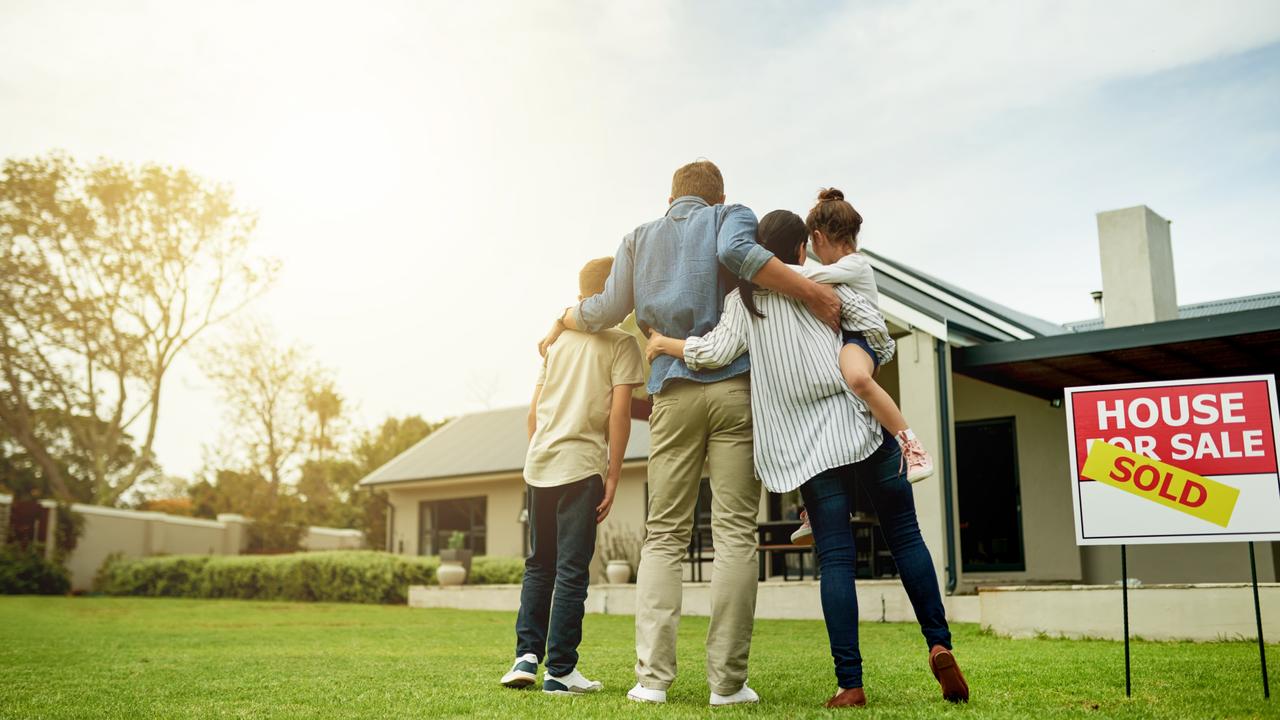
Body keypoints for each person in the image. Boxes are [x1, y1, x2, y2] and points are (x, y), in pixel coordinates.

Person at [538, 160, 841, 707]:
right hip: (733, 393)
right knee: (733, 534)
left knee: (665, 536)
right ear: (718, 195)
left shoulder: (638, 237)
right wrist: (811, 292)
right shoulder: (732, 215)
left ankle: (652, 681)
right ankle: (727, 684)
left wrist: (566, 315)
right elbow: (737, 255)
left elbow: (607, 309)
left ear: (670, 198)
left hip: (672, 394)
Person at [647, 209, 968, 709]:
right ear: (801, 249)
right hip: (860, 426)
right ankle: (939, 642)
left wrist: (664, 343)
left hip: (809, 451)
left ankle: (850, 684)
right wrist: (862, 354)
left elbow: (712, 352)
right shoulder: (819, 284)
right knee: (905, 536)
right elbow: (873, 330)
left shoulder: (743, 301)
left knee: (836, 559)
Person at [501, 257, 644, 696]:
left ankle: (526, 656)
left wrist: (539, 453)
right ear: (614, 295)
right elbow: (620, 414)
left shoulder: (556, 343)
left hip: (540, 465)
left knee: (538, 565)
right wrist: (614, 475)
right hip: (581, 468)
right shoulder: (621, 344)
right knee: (571, 570)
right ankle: (560, 670)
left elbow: (532, 414)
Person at [789, 188, 934, 546]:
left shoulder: (855, 265)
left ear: (819, 238)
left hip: (861, 341)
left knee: (855, 378)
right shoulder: (842, 266)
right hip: (843, 344)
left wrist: (766, 268)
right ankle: (811, 505)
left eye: (813, 245)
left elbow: (806, 281)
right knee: (827, 421)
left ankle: (911, 444)